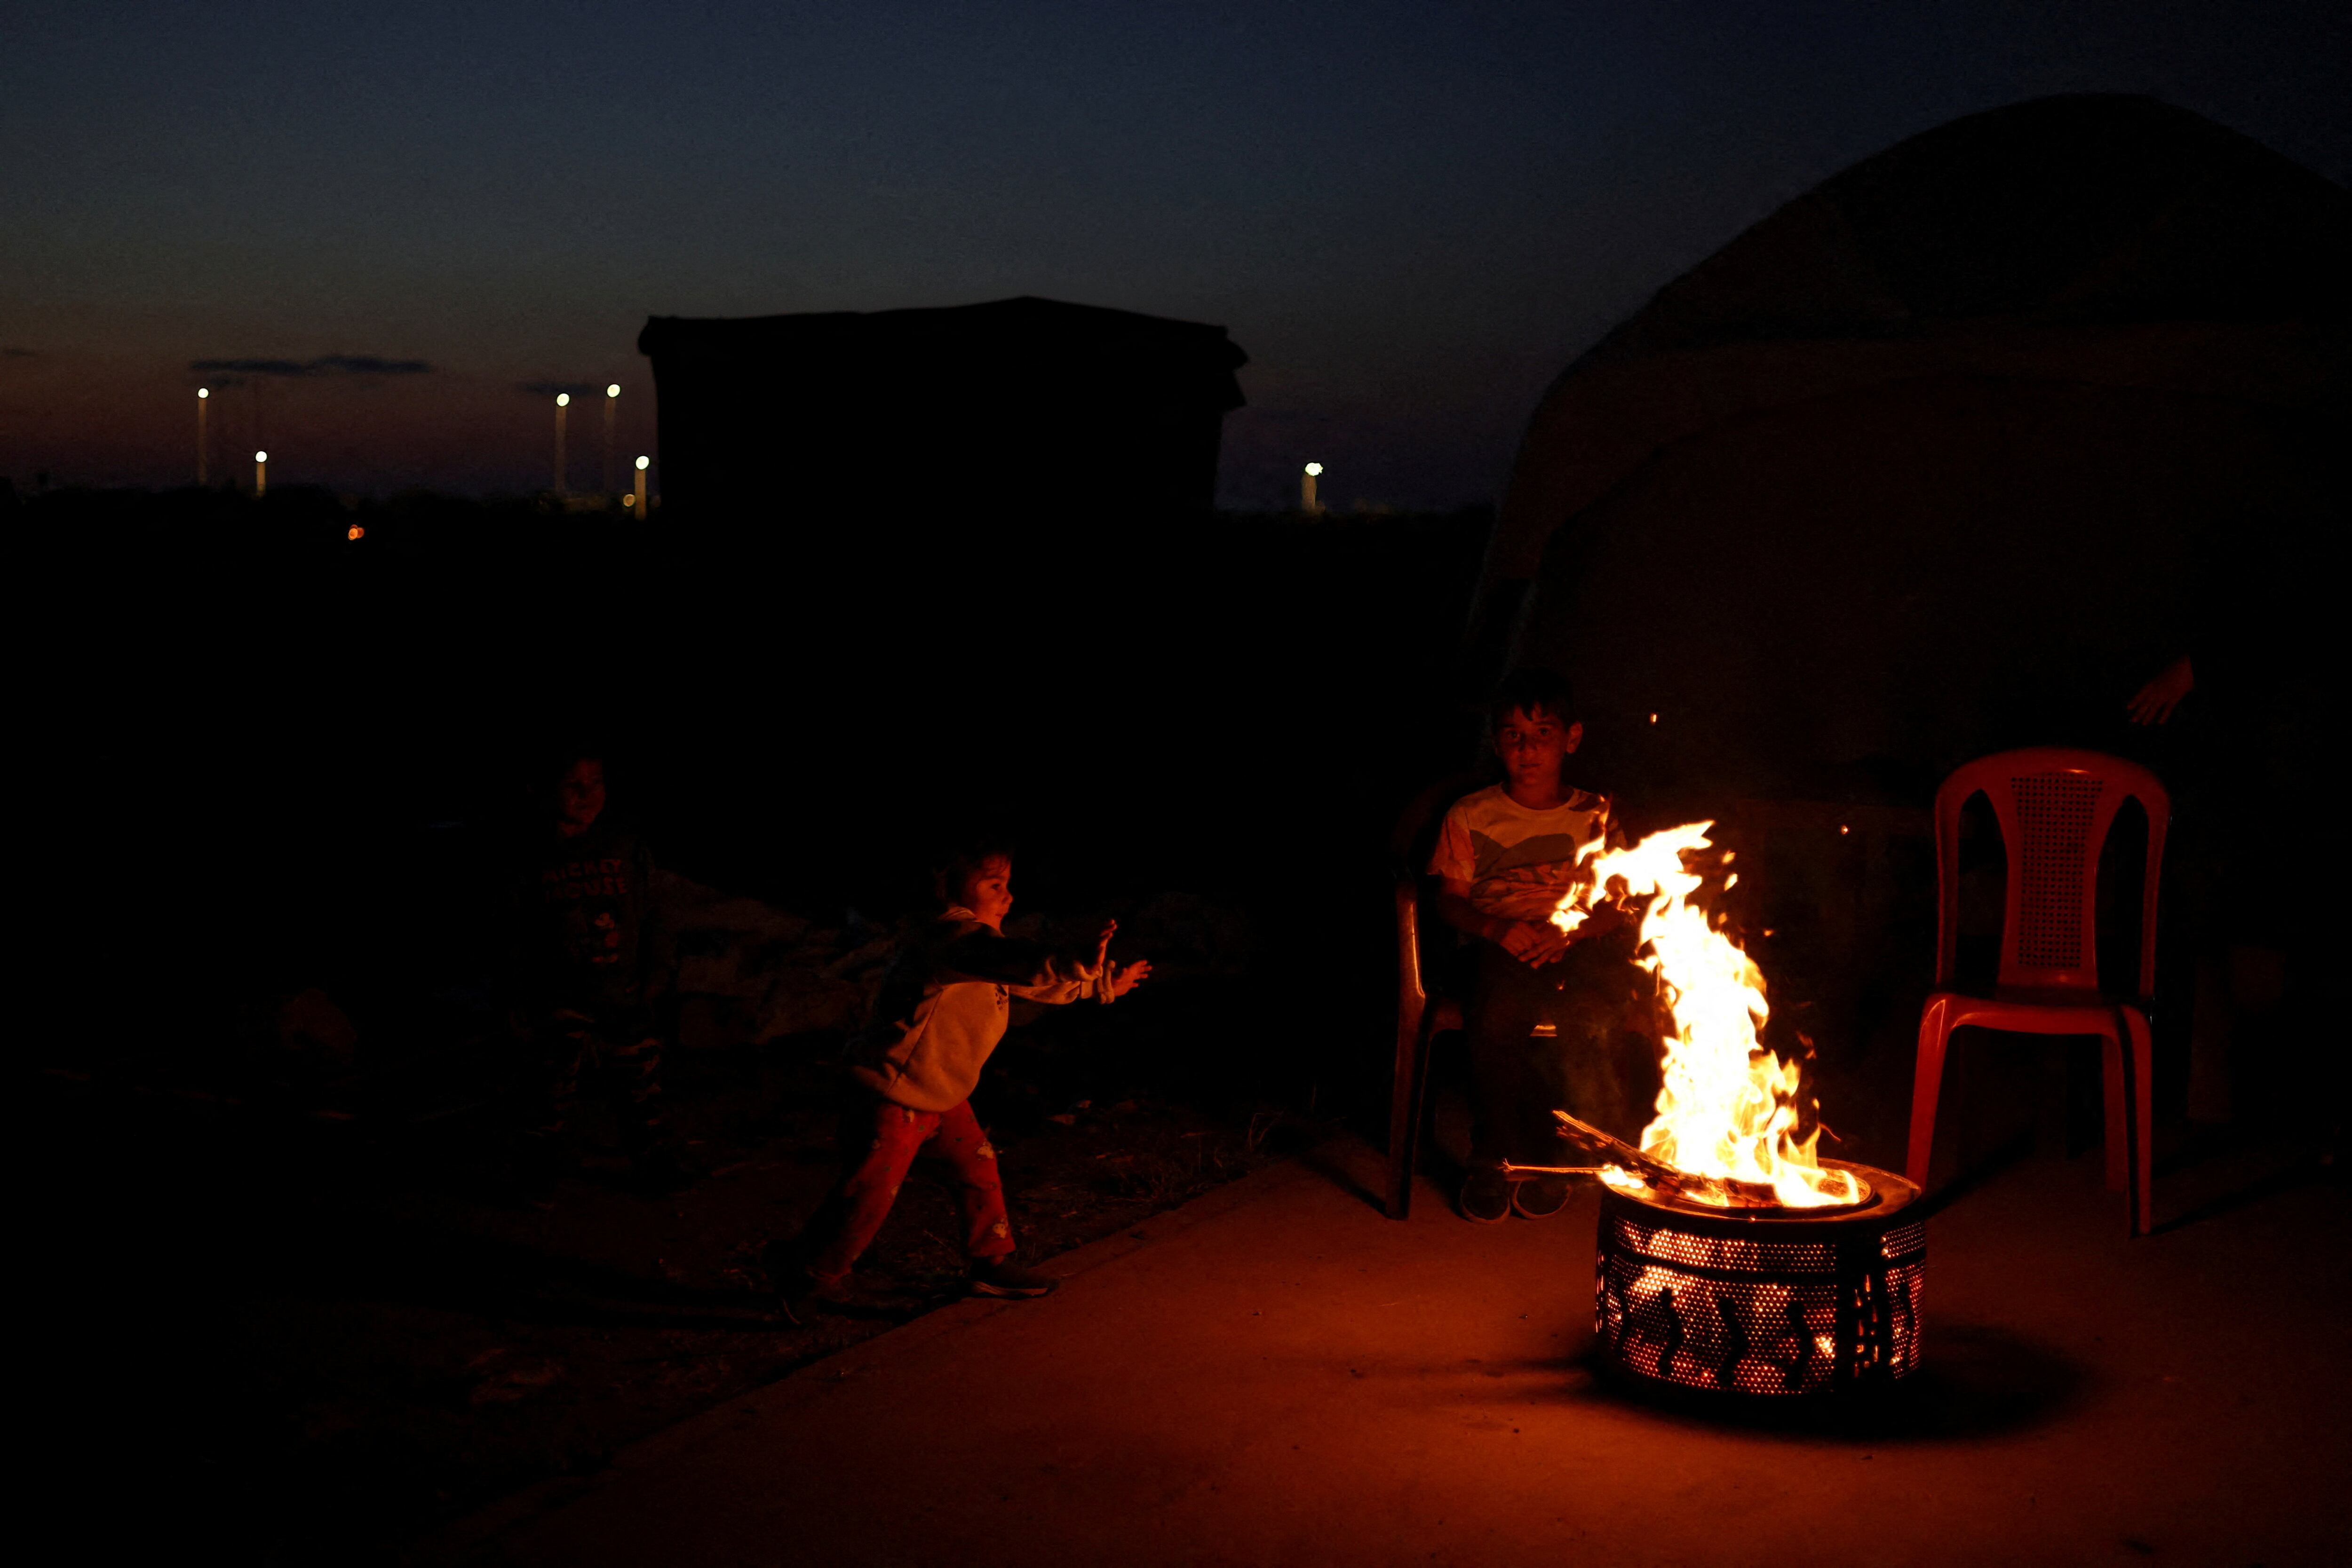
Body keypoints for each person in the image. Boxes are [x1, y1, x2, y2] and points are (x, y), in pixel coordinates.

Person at [782, 840, 1149, 1317]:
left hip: (940, 1095)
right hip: (891, 1094)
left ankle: (990, 1264)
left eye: (1009, 884)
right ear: (946, 888)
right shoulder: (946, 939)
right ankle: (811, 1277)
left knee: (977, 1171)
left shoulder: (980, 951)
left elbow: (1030, 978)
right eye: (993, 884)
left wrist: (1098, 983)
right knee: (869, 1193)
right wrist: (1072, 959)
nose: (1008, 896)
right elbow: (1019, 962)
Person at [1429, 669, 1639, 1223]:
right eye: (1513, 735)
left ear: (1571, 738)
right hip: (1499, 942)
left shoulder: (1595, 814)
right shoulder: (1471, 814)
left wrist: (1570, 930)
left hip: (1576, 941)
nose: (1527, 749)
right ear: (1496, 742)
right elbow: (1447, 898)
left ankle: (1557, 1150)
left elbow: (1617, 904)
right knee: (1497, 1011)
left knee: (1590, 1014)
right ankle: (1493, 1153)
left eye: (1541, 733)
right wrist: (1496, 929)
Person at [510, 752, 684, 1192]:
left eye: (597, 783)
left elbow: (658, 911)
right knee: (548, 1084)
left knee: (640, 1081)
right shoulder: (530, 855)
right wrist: (516, 992)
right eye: (574, 786)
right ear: (541, 791)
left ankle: (652, 1160)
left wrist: (658, 970)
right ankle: (540, 1167)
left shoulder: (625, 846)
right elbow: (511, 928)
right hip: (558, 991)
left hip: (622, 987)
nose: (588, 796)